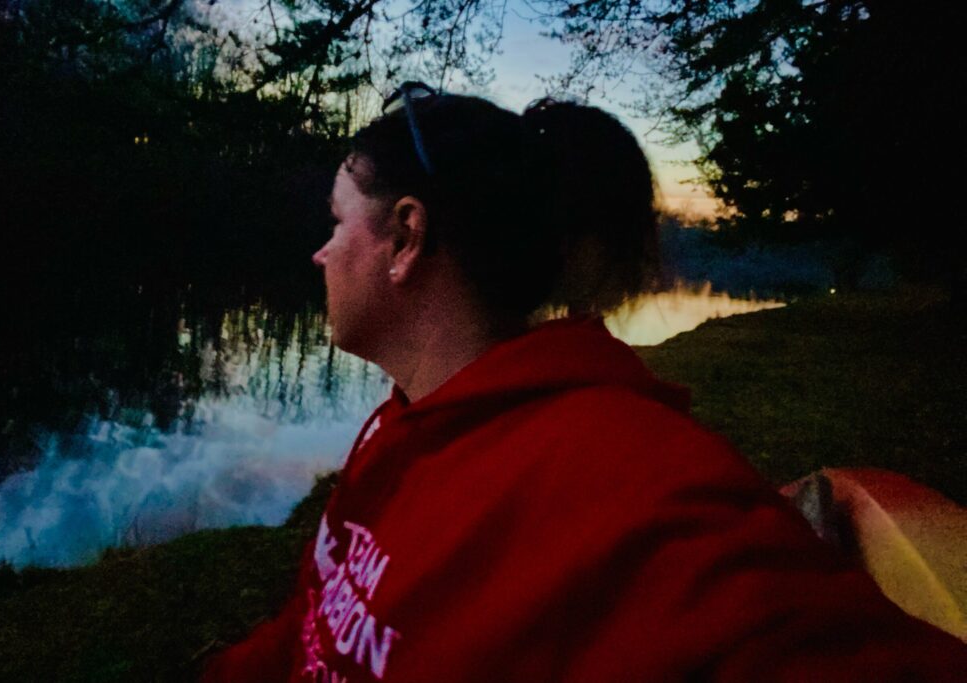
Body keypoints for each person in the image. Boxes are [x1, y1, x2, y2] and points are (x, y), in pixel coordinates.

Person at [202, 85, 967, 682]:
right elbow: (311, 626)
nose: (320, 252)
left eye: (338, 222)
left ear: (405, 236)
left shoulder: (635, 481)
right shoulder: (402, 422)